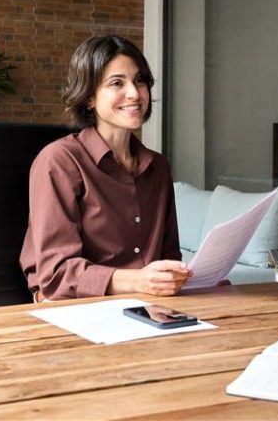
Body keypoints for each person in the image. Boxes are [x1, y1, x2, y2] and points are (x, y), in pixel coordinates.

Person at [20, 35, 191, 300]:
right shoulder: (60, 161)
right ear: (89, 97)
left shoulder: (157, 167)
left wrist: (177, 276)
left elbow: (169, 254)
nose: (134, 93)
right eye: (117, 83)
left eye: (140, 81)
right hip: (75, 307)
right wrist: (138, 281)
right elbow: (57, 275)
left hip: (147, 304)